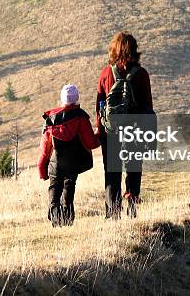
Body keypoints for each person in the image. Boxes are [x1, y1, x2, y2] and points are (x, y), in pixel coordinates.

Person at [96, 31, 154, 219]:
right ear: (135, 50)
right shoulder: (142, 74)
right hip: (134, 130)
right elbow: (147, 106)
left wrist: (100, 130)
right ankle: (132, 206)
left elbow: (99, 105)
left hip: (111, 132)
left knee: (112, 172)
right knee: (134, 167)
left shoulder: (106, 73)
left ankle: (113, 213)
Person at [38, 84, 99, 227]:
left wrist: (42, 169)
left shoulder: (51, 119)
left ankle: (55, 219)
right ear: (77, 99)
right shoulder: (82, 117)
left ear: (62, 99)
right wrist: (99, 134)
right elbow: (91, 143)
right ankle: (68, 219)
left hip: (55, 165)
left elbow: (44, 149)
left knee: (54, 190)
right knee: (69, 188)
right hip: (74, 164)